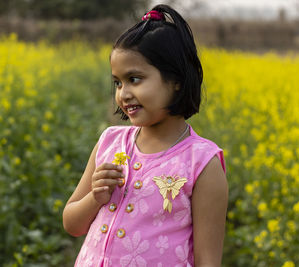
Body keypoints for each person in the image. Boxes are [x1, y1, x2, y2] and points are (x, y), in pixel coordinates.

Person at [63, 4, 228, 266]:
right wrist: (95, 198)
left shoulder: (202, 163)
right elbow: (71, 223)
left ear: (176, 80)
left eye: (135, 79)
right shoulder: (109, 142)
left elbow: (208, 261)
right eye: (117, 82)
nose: (123, 93)